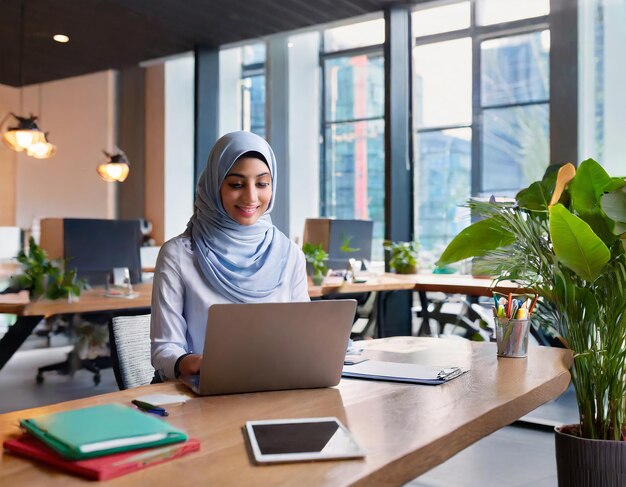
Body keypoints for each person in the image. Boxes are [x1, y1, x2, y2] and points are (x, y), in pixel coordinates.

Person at [150, 131, 309, 380]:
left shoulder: (289, 254)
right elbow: (164, 349)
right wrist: (190, 362)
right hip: (201, 392)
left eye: (262, 184)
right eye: (236, 184)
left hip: (273, 385)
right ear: (215, 185)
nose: (251, 197)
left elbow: (304, 336)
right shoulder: (178, 255)